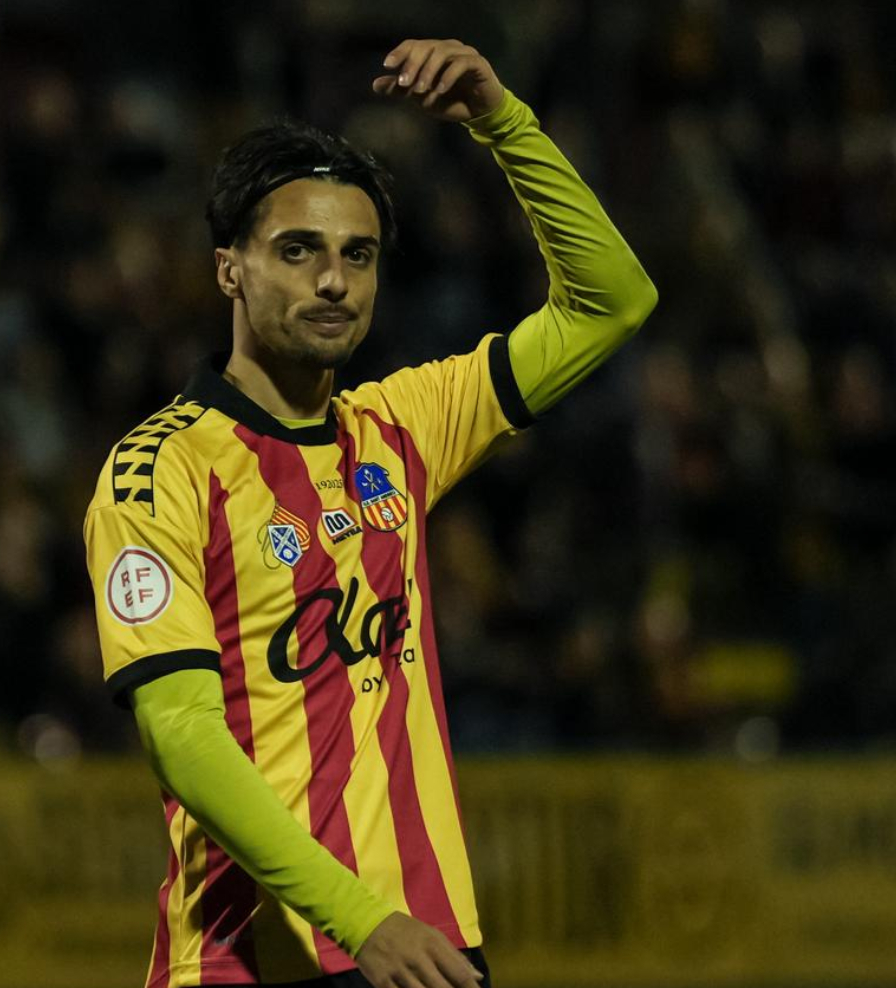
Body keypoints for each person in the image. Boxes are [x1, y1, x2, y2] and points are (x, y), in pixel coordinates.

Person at [83, 39, 656, 988]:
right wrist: (359, 917)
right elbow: (181, 735)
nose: (334, 282)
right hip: (253, 961)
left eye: (358, 255)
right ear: (230, 269)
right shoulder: (160, 470)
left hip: (424, 948)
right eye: (297, 251)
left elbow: (612, 303)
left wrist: (502, 121)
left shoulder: (400, 428)